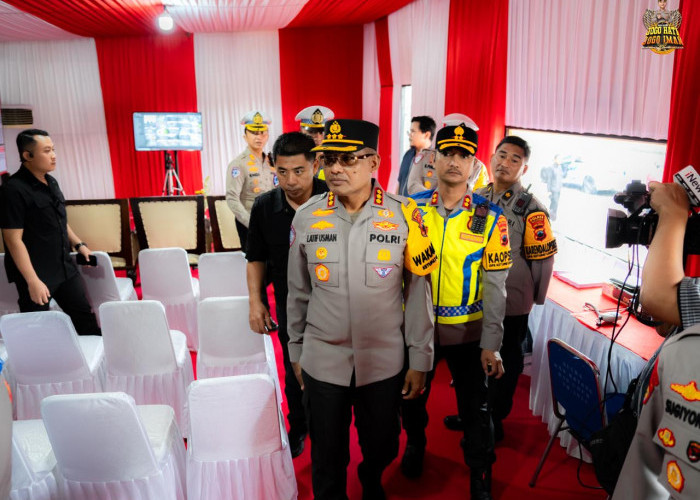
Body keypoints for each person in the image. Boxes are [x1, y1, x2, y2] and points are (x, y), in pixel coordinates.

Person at [287, 118, 437, 500]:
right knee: (327, 455)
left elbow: (419, 294)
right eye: (330, 159)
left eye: (349, 159)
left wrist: (420, 359)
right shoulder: (306, 217)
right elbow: (298, 292)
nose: (336, 169)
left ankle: (372, 480)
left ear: (374, 162)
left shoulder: (407, 217)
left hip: (383, 361)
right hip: (324, 358)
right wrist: (296, 350)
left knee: (383, 444)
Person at [401, 123, 512, 500]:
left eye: (464, 155)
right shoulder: (409, 209)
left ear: (474, 164)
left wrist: (492, 343)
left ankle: (480, 472)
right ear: (434, 158)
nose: (455, 161)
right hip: (417, 329)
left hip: (468, 332)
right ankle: (415, 444)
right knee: (411, 397)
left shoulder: (490, 217)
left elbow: (497, 286)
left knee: (476, 409)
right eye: (448, 152)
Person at [245, 131, 328, 458]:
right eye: (282, 172)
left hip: (334, 303)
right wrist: (256, 302)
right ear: (272, 167)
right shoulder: (265, 206)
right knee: (295, 373)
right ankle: (300, 426)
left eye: (299, 171)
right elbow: (255, 258)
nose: (291, 180)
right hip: (290, 305)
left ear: (315, 165)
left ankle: (328, 427)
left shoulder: (332, 198)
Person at [469, 136, 556, 441]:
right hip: (475, 297)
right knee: (474, 358)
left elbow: (543, 261)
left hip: (512, 299)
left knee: (506, 361)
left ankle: (495, 418)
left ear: (524, 167)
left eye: (514, 159)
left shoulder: (531, 209)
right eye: (501, 155)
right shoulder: (476, 197)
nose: (505, 163)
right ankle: (475, 413)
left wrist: (535, 298)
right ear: (491, 158)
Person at [0, 129, 99, 335]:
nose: (53, 155)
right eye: (46, 151)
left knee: (85, 321)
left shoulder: (51, 181)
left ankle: (94, 365)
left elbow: (59, 221)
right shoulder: (13, 190)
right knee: (38, 330)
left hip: (64, 267)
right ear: (27, 156)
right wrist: (32, 281)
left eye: (53, 149)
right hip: (37, 273)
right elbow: (13, 240)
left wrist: (79, 244)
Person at [225, 110, 276, 250]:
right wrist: (251, 222)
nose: (258, 137)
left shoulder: (273, 162)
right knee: (255, 265)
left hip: (272, 223)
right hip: (250, 224)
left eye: (262, 133)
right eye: (254, 133)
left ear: (267, 136)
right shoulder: (238, 164)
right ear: (245, 136)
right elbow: (232, 198)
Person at [406, 114, 489, 195]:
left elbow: (481, 197)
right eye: (448, 154)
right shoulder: (426, 156)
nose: (454, 163)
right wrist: (437, 199)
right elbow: (413, 185)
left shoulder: (479, 168)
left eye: (463, 156)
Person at [397, 116, 436, 196]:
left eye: (413, 131)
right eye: (410, 132)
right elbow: (400, 182)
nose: (410, 135)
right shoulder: (408, 155)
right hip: (401, 206)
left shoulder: (435, 160)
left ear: (426, 135)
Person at [295, 105, 335, 181]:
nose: (318, 137)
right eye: (312, 132)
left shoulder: (336, 159)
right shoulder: (293, 158)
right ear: (301, 132)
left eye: (322, 131)